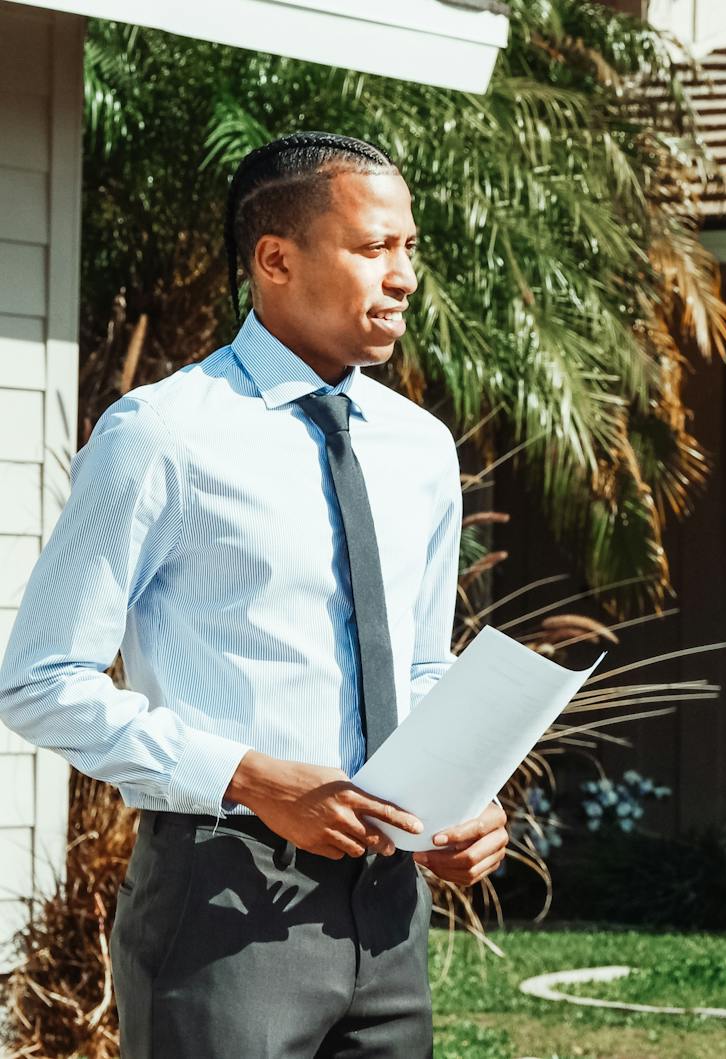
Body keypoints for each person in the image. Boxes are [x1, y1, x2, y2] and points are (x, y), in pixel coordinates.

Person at [0, 132, 509, 1057]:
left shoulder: (420, 448)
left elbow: (424, 664)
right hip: (218, 907)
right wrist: (247, 777)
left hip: (392, 918)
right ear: (275, 259)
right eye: (371, 248)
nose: (403, 277)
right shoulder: (163, 434)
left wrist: (467, 799)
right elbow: (41, 678)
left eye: (409, 248)